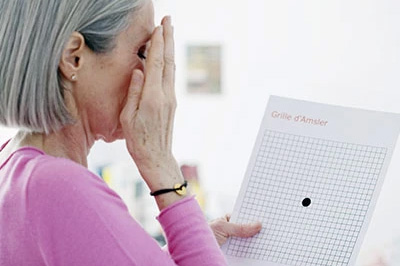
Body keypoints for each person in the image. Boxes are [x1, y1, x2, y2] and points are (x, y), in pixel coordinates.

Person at [0, 0, 262, 265]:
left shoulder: (12, 166)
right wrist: (160, 164)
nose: (151, 74)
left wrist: (195, 240)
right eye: (141, 52)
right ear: (73, 57)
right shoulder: (60, 186)